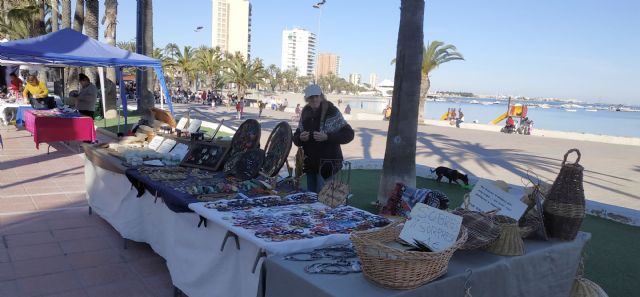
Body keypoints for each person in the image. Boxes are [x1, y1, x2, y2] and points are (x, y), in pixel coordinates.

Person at [293, 85, 354, 193]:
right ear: (307, 99)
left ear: (321, 96)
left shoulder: (332, 111)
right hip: (310, 165)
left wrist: (327, 137)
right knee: (311, 198)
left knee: (325, 201)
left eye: (316, 96)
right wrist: (300, 138)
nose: (314, 99)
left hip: (327, 165)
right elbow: (297, 136)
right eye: (311, 97)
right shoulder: (305, 112)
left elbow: (349, 134)